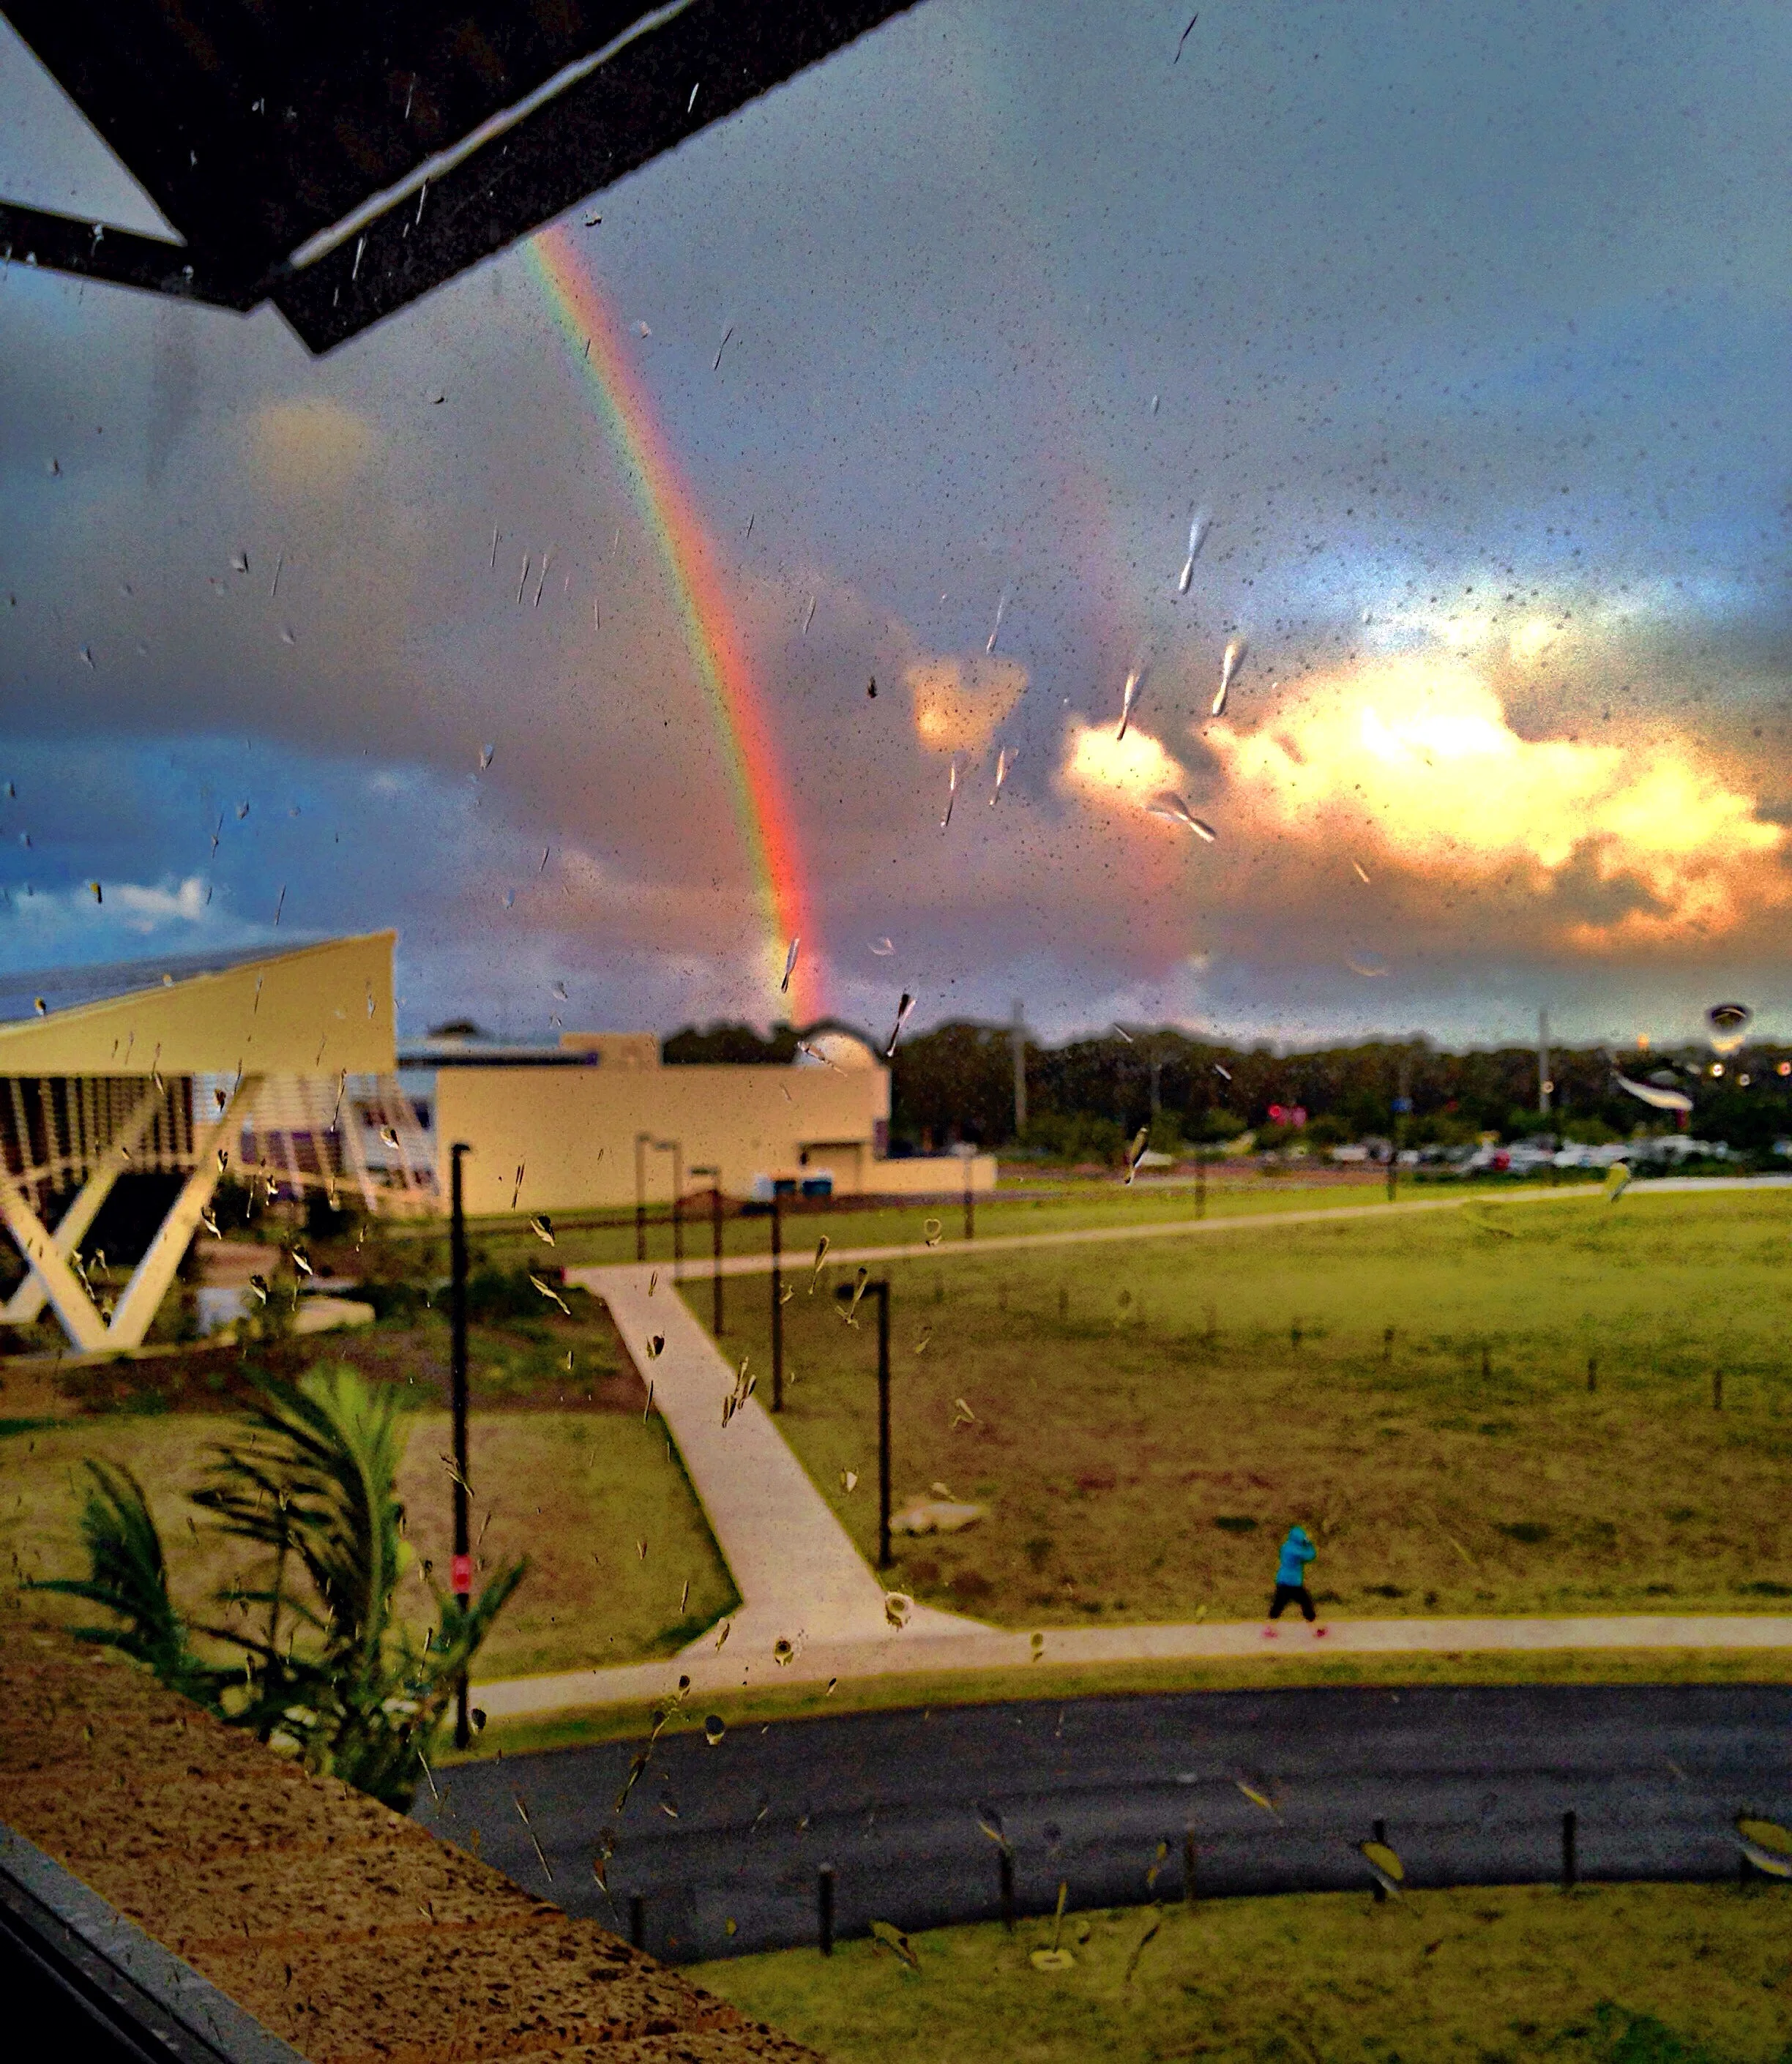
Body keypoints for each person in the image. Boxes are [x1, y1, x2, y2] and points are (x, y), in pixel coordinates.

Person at [1269, 1524, 1317, 1621]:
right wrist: (1308, 1543)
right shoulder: (1297, 1551)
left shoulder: (1285, 1547)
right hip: (1294, 1582)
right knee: (1306, 1603)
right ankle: (1316, 1628)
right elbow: (1311, 1555)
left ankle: (1269, 1628)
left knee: (1278, 1605)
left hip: (1282, 1580)